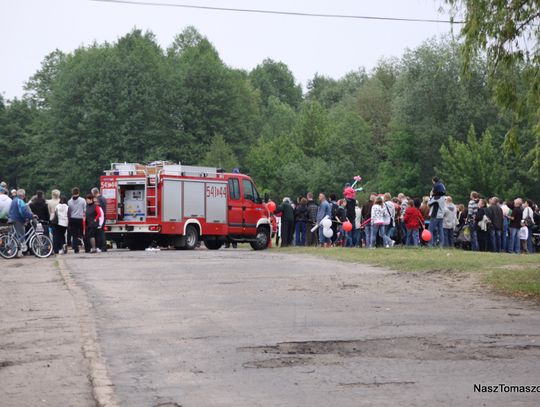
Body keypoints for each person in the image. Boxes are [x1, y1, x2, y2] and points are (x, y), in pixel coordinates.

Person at [8, 189, 34, 253]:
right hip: (18, 220)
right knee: (21, 236)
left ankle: (12, 251)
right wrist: (31, 216)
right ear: (23, 195)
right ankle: (16, 251)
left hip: (12, 219)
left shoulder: (14, 200)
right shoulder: (20, 201)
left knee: (14, 235)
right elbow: (23, 211)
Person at [67, 187, 86, 254]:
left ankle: (76, 249)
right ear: (78, 192)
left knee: (74, 235)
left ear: (72, 193)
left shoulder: (69, 201)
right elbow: (85, 210)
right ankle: (86, 247)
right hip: (80, 219)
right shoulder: (82, 200)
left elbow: (69, 211)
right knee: (82, 234)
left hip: (72, 219)